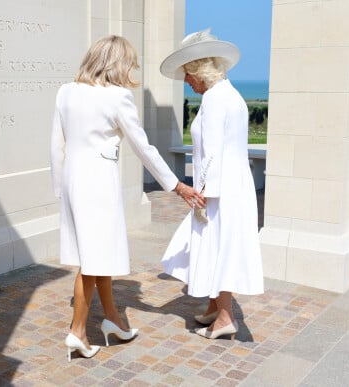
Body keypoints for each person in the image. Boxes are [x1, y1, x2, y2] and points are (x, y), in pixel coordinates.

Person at [51, 35, 204, 361]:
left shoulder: (66, 92)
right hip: (99, 185)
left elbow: (56, 146)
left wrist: (60, 191)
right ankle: (77, 332)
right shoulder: (118, 97)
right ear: (117, 64)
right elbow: (143, 148)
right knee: (91, 262)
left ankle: (113, 320)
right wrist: (176, 185)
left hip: (72, 182)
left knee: (96, 253)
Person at [159, 29, 264, 340]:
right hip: (232, 185)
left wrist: (202, 192)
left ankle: (226, 317)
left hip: (220, 189)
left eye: (187, 76)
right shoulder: (229, 94)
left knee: (220, 247)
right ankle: (215, 305)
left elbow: (214, 151)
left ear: (198, 71)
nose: (187, 83)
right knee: (219, 245)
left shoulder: (217, 98)